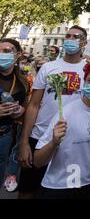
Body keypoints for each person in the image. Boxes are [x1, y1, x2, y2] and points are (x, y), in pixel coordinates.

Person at [18, 25, 88, 199]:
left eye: (76, 37)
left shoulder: (89, 71)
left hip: (71, 143)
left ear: (84, 43)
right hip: (40, 138)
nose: (71, 40)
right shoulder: (48, 67)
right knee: (27, 191)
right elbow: (33, 105)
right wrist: (24, 142)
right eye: (68, 36)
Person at [34, 62, 90, 199]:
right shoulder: (66, 114)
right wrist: (53, 143)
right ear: (84, 83)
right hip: (60, 187)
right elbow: (38, 161)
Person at [0, 39, 29, 190]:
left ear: (17, 55)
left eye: (6, 51)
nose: (1, 54)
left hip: (5, 136)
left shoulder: (23, 81)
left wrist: (21, 111)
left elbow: (25, 105)